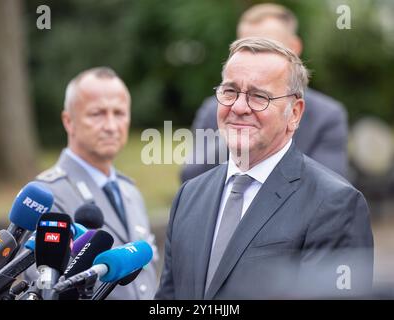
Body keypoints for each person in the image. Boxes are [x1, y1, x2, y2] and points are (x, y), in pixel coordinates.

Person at [155, 38, 373, 299]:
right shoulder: (190, 196)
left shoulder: (335, 203)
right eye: (230, 92)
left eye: (259, 96)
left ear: (294, 113)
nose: (238, 107)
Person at [180, 3, 348, 183]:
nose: (255, 57)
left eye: (268, 47)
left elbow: (329, 186)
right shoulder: (215, 108)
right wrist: (236, 130)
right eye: (246, 47)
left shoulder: (326, 116)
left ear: (295, 47)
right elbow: (191, 178)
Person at [34, 67, 158, 300]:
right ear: (69, 121)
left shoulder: (129, 191)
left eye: (119, 113)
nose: (111, 126)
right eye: (97, 114)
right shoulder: (49, 196)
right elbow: (45, 289)